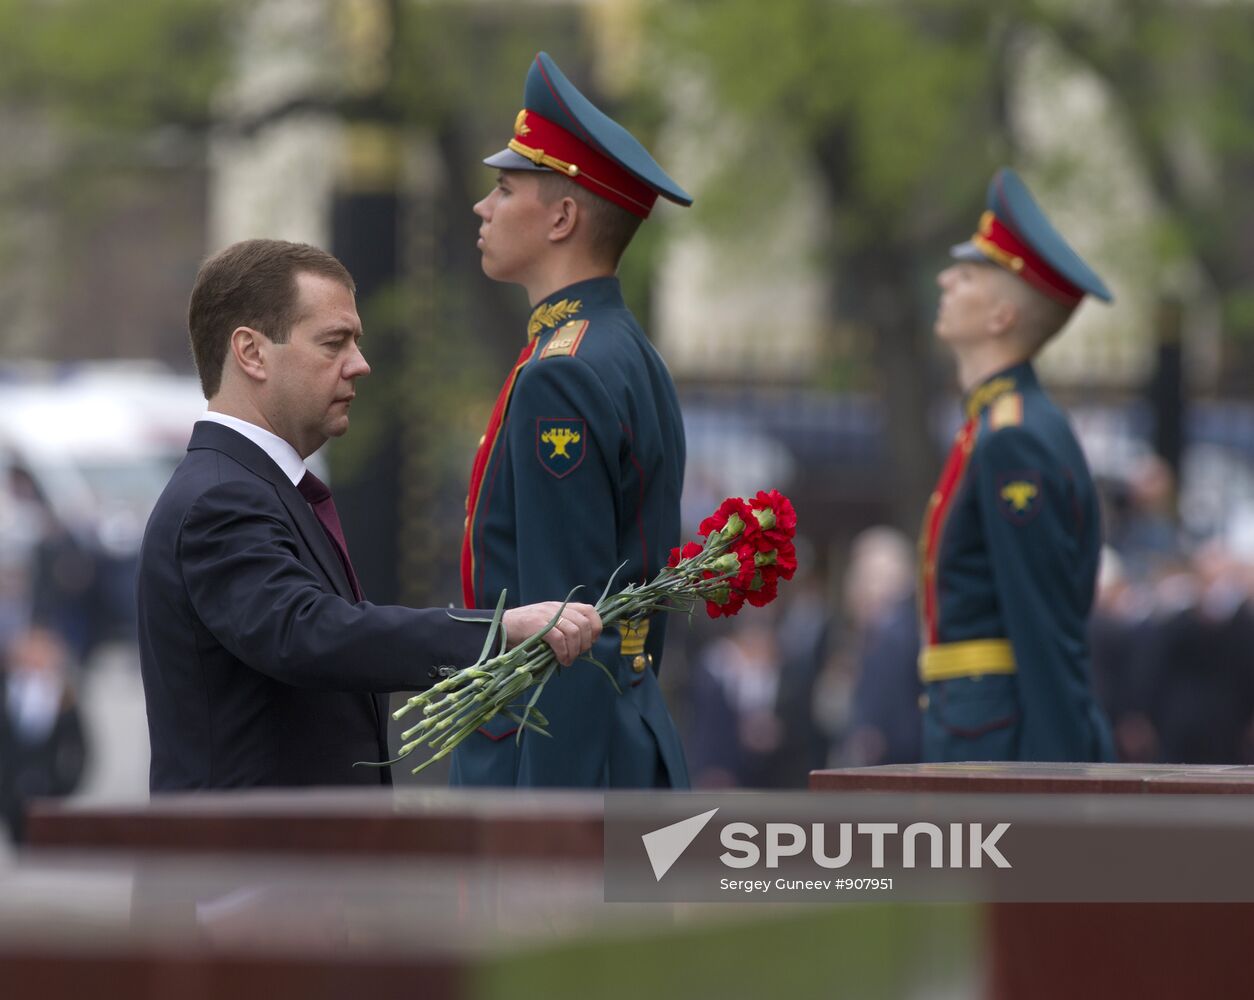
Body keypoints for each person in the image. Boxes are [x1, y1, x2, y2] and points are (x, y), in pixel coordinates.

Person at [137, 239, 600, 791]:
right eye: (334, 343)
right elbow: (304, 632)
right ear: (252, 352)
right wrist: (497, 630)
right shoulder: (221, 498)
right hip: (255, 847)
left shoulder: (248, 487)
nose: (360, 364)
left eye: (355, 342)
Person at [452, 52, 692, 787]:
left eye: (504, 189)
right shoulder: (627, 352)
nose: (482, 207)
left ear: (562, 217)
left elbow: (566, 633)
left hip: (555, 759)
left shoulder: (562, 371)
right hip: (623, 736)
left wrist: (551, 828)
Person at [919, 167, 1115, 762]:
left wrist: (1055, 786)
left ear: (1001, 317)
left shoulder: (1014, 439)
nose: (945, 279)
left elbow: (1042, 628)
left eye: (968, 275)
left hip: (997, 744)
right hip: (979, 730)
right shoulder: (997, 424)